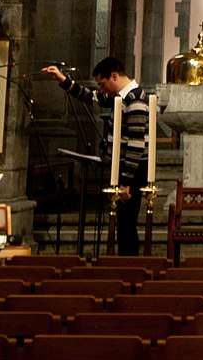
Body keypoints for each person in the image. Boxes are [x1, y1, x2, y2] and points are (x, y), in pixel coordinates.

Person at [41, 56, 150, 255]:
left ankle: (130, 265)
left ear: (114, 76)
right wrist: (62, 79)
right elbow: (90, 97)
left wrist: (126, 181)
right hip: (123, 168)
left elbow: (136, 144)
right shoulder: (120, 96)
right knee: (122, 225)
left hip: (132, 171)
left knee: (127, 226)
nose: (101, 89)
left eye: (102, 84)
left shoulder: (135, 99)